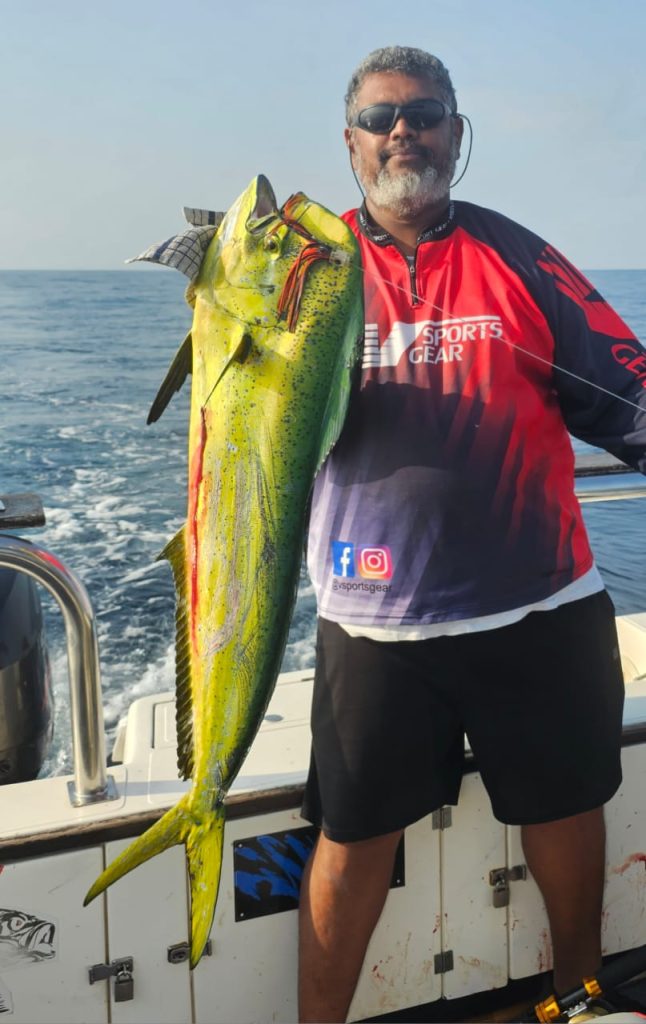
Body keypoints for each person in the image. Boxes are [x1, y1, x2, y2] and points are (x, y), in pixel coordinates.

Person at [297, 45, 646, 1023]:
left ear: (455, 131)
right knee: (352, 835)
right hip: (372, 620)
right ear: (350, 142)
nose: (401, 130)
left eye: (423, 111)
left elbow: (626, 391)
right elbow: (239, 408)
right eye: (379, 117)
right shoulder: (307, 273)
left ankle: (578, 996)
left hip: (537, 601)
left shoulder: (521, 257)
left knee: (567, 811)